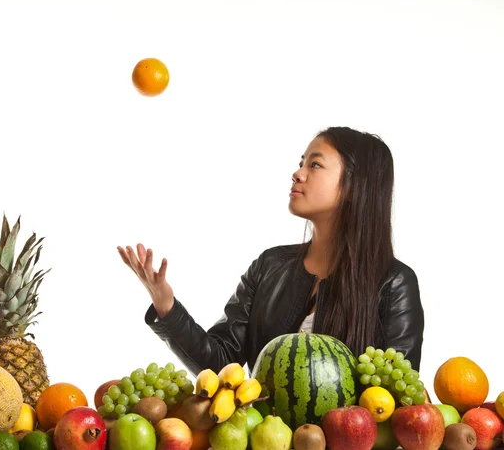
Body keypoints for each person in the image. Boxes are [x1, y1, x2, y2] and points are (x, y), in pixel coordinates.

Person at [117, 126, 425, 377]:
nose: (298, 173)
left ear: (354, 186)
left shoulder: (394, 284)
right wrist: (166, 305)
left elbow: (393, 395)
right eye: (301, 162)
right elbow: (220, 365)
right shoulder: (269, 267)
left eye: (314, 164)